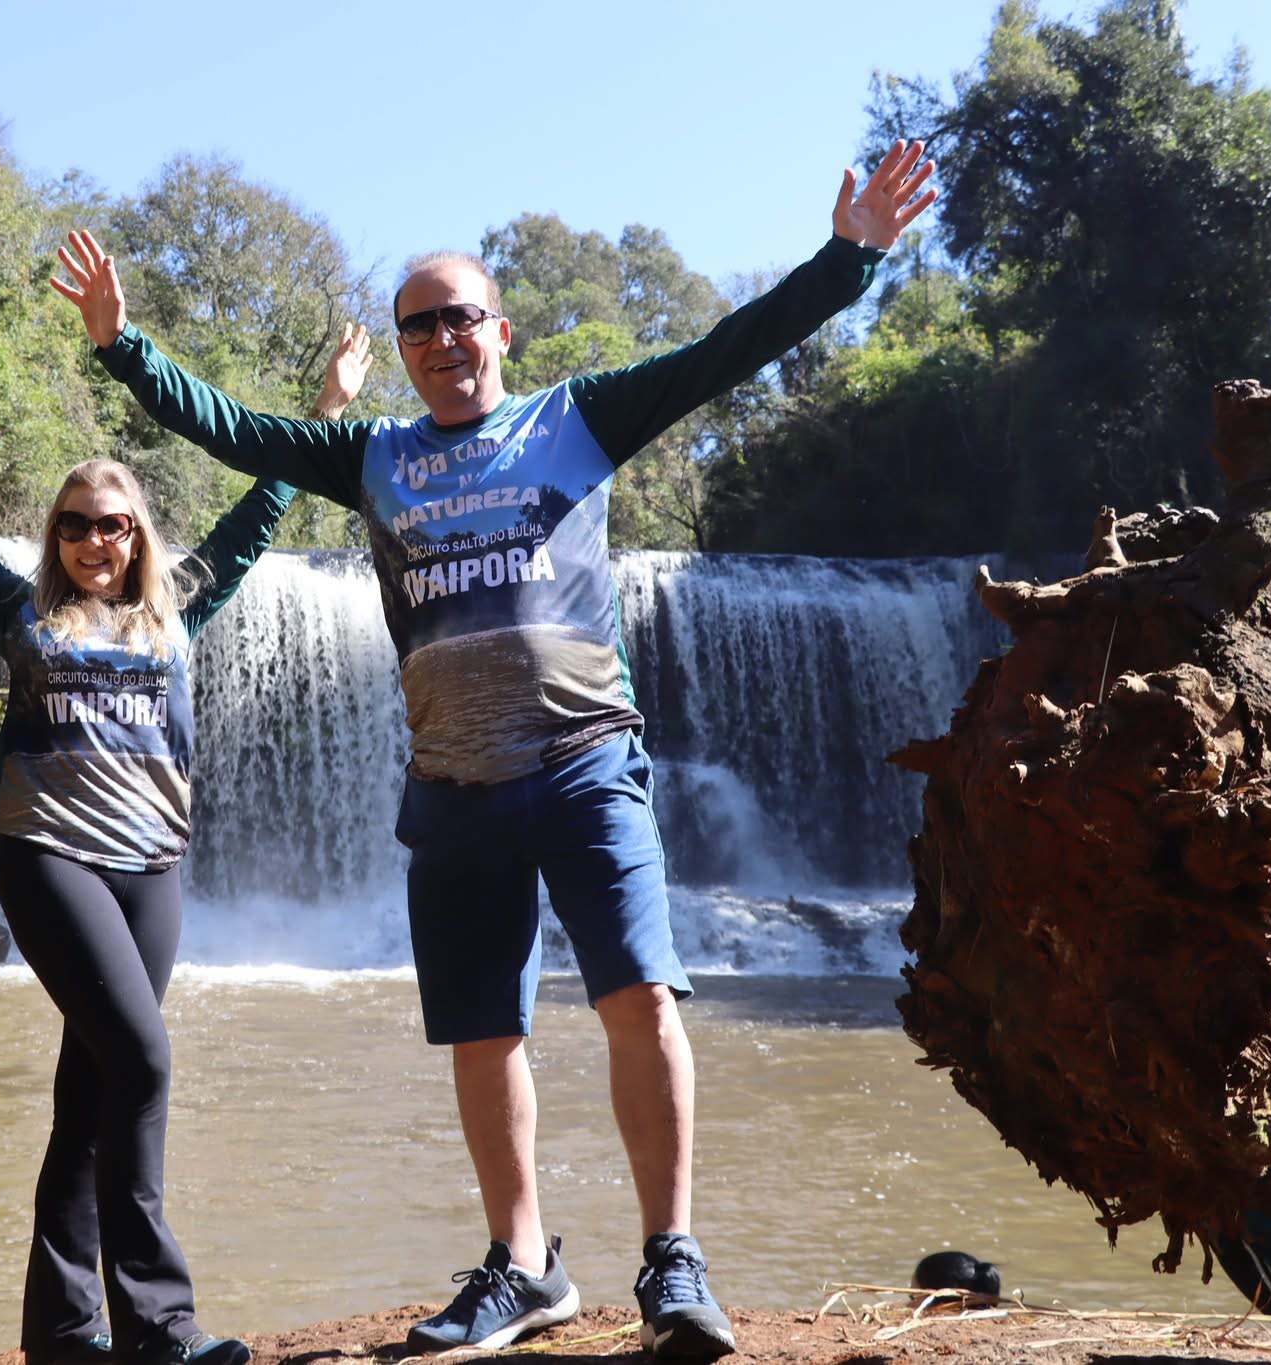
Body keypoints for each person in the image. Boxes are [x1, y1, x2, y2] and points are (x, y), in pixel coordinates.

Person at [50, 140, 938, 1361]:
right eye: (416, 326)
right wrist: (120, 345)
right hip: (454, 787)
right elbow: (234, 428)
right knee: (482, 1029)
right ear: (400, 349)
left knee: (638, 996)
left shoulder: (576, 419)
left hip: (583, 762)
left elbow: (728, 351)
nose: (438, 340)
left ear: (499, 330)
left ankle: (670, 1259)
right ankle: (520, 1267)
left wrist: (847, 261)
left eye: (457, 317)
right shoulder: (372, 457)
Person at [0, 331, 367, 1365]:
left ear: (136, 533)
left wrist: (326, 406)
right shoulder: (19, 608)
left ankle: (61, 1331)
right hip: (51, 858)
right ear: (54, 536)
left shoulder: (179, 604)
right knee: (143, 1058)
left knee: (92, 1089)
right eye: (74, 526)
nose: (93, 542)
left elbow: (265, 504)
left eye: (111, 525)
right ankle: (158, 1325)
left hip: (152, 869)